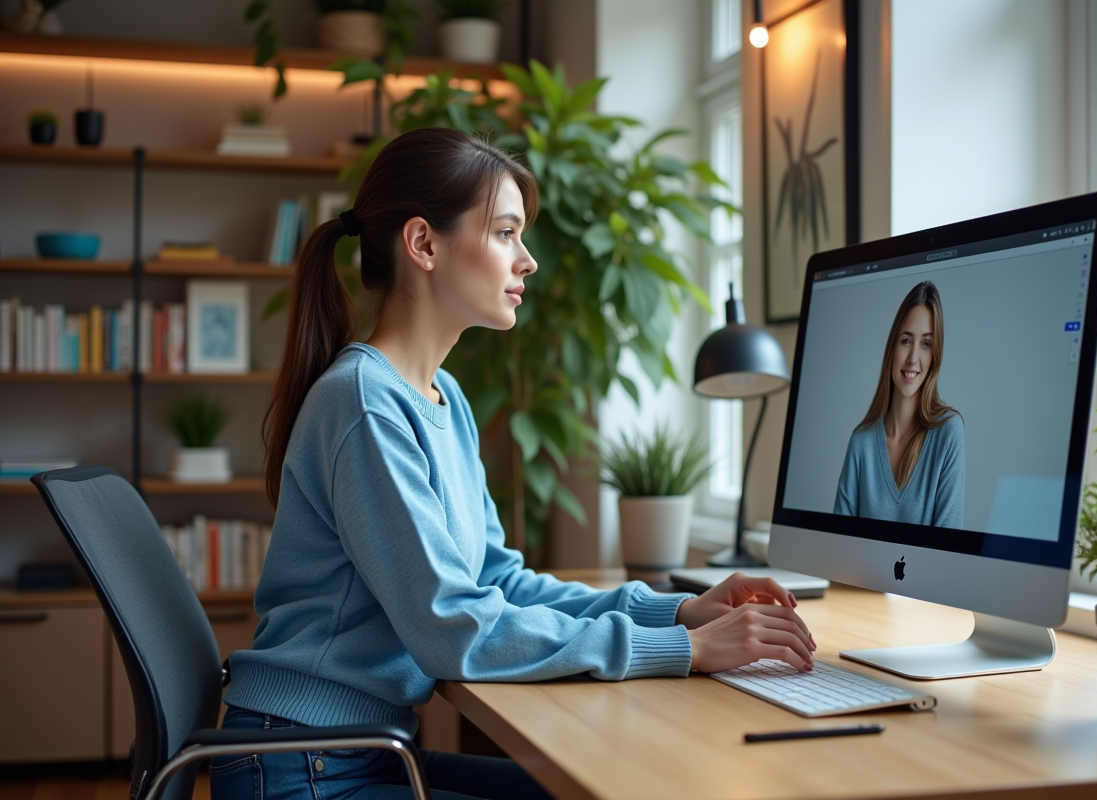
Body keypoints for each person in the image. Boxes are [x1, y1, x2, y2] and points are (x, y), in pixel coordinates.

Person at [212, 128, 816, 800]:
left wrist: (678, 615)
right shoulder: (364, 406)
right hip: (302, 763)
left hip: (361, 751)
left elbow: (500, 583)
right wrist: (686, 654)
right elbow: (452, 626)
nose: (527, 261)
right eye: (505, 233)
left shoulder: (445, 399)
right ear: (424, 244)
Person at [833, 280, 964, 528]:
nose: (913, 358)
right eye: (906, 341)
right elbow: (838, 553)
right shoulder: (861, 442)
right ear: (892, 347)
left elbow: (948, 558)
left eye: (925, 344)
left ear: (935, 355)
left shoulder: (948, 433)